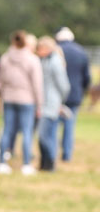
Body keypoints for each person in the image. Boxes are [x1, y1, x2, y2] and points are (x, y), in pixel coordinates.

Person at [0, 30, 43, 175]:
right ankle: (26, 164)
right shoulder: (32, 59)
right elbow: (37, 84)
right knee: (27, 132)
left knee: (7, 130)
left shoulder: (5, 58)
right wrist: (39, 104)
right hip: (27, 99)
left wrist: (1, 95)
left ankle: (2, 163)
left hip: (8, 98)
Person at [55, 27, 91, 162]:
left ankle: (52, 153)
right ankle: (66, 154)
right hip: (74, 95)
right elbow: (87, 76)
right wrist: (84, 90)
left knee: (54, 125)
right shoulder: (81, 51)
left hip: (57, 95)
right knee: (69, 126)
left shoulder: (55, 50)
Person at [36, 36, 70, 171]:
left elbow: (64, 85)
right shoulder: (45, 60)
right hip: (44, 103)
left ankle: (50, 163)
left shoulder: (55, 62)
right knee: (45, 135)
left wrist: (60, 101)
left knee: (44, 135)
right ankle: (44, 163)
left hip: (51, 104)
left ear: (47, 48)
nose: (38, 51)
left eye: (40, 48)